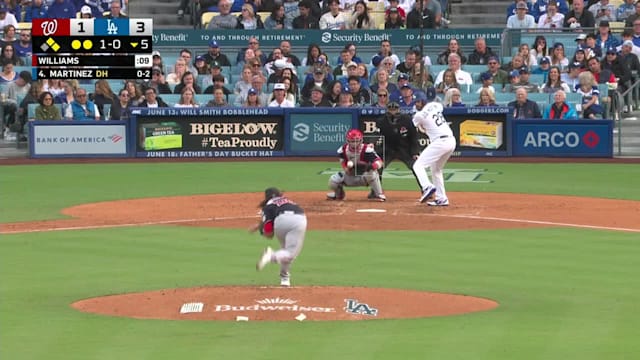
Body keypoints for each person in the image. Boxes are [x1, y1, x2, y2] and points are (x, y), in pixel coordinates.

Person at [252, 187, 307, 287]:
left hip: (280, 222)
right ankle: (271, 256)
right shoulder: (288, 201)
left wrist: (263, 231)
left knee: (285, 251)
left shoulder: (268, 206)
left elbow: (269, 230)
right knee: (289, 253)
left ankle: (285, 279)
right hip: (298, 220)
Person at [411, 88, 456, 206]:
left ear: (423, 101)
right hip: (451, 141)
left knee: (418, 165)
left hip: (440, 142)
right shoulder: (435, 105)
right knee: (436, 169)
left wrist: (419, 119)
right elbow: (438, 109)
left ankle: (427, 187)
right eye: (415, 102)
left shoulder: (419, 115)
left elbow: (413, 125)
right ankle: (442, 198)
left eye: (418, 102)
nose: (416, 104)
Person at [373, 101, 421, 195]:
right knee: (377, 167)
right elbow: (376, 135)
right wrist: (374, 148)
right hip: (388, 148)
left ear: (399, 109)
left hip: (404, 148)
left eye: (395, 109)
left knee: (416, 167)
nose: (393, 112)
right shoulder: (381, 121)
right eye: (390, 109)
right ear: (387, 110)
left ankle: (425, 189)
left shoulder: (406, 119)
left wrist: (415, 152)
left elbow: (414, 136)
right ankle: (375, 191)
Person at [326, 129, 386, 201]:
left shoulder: (367, 150)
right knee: (333, 180)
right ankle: (339, 195)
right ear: (348, 141)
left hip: (364, 177)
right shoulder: (342, 150)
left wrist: (372, 166)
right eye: (352, 141)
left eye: (357, 141)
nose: (355, 143)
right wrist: (348, 169)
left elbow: (380, 162)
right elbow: (344, 165)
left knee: (372, 173)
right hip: (350, 176)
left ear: (361, 140)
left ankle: (378, 194)